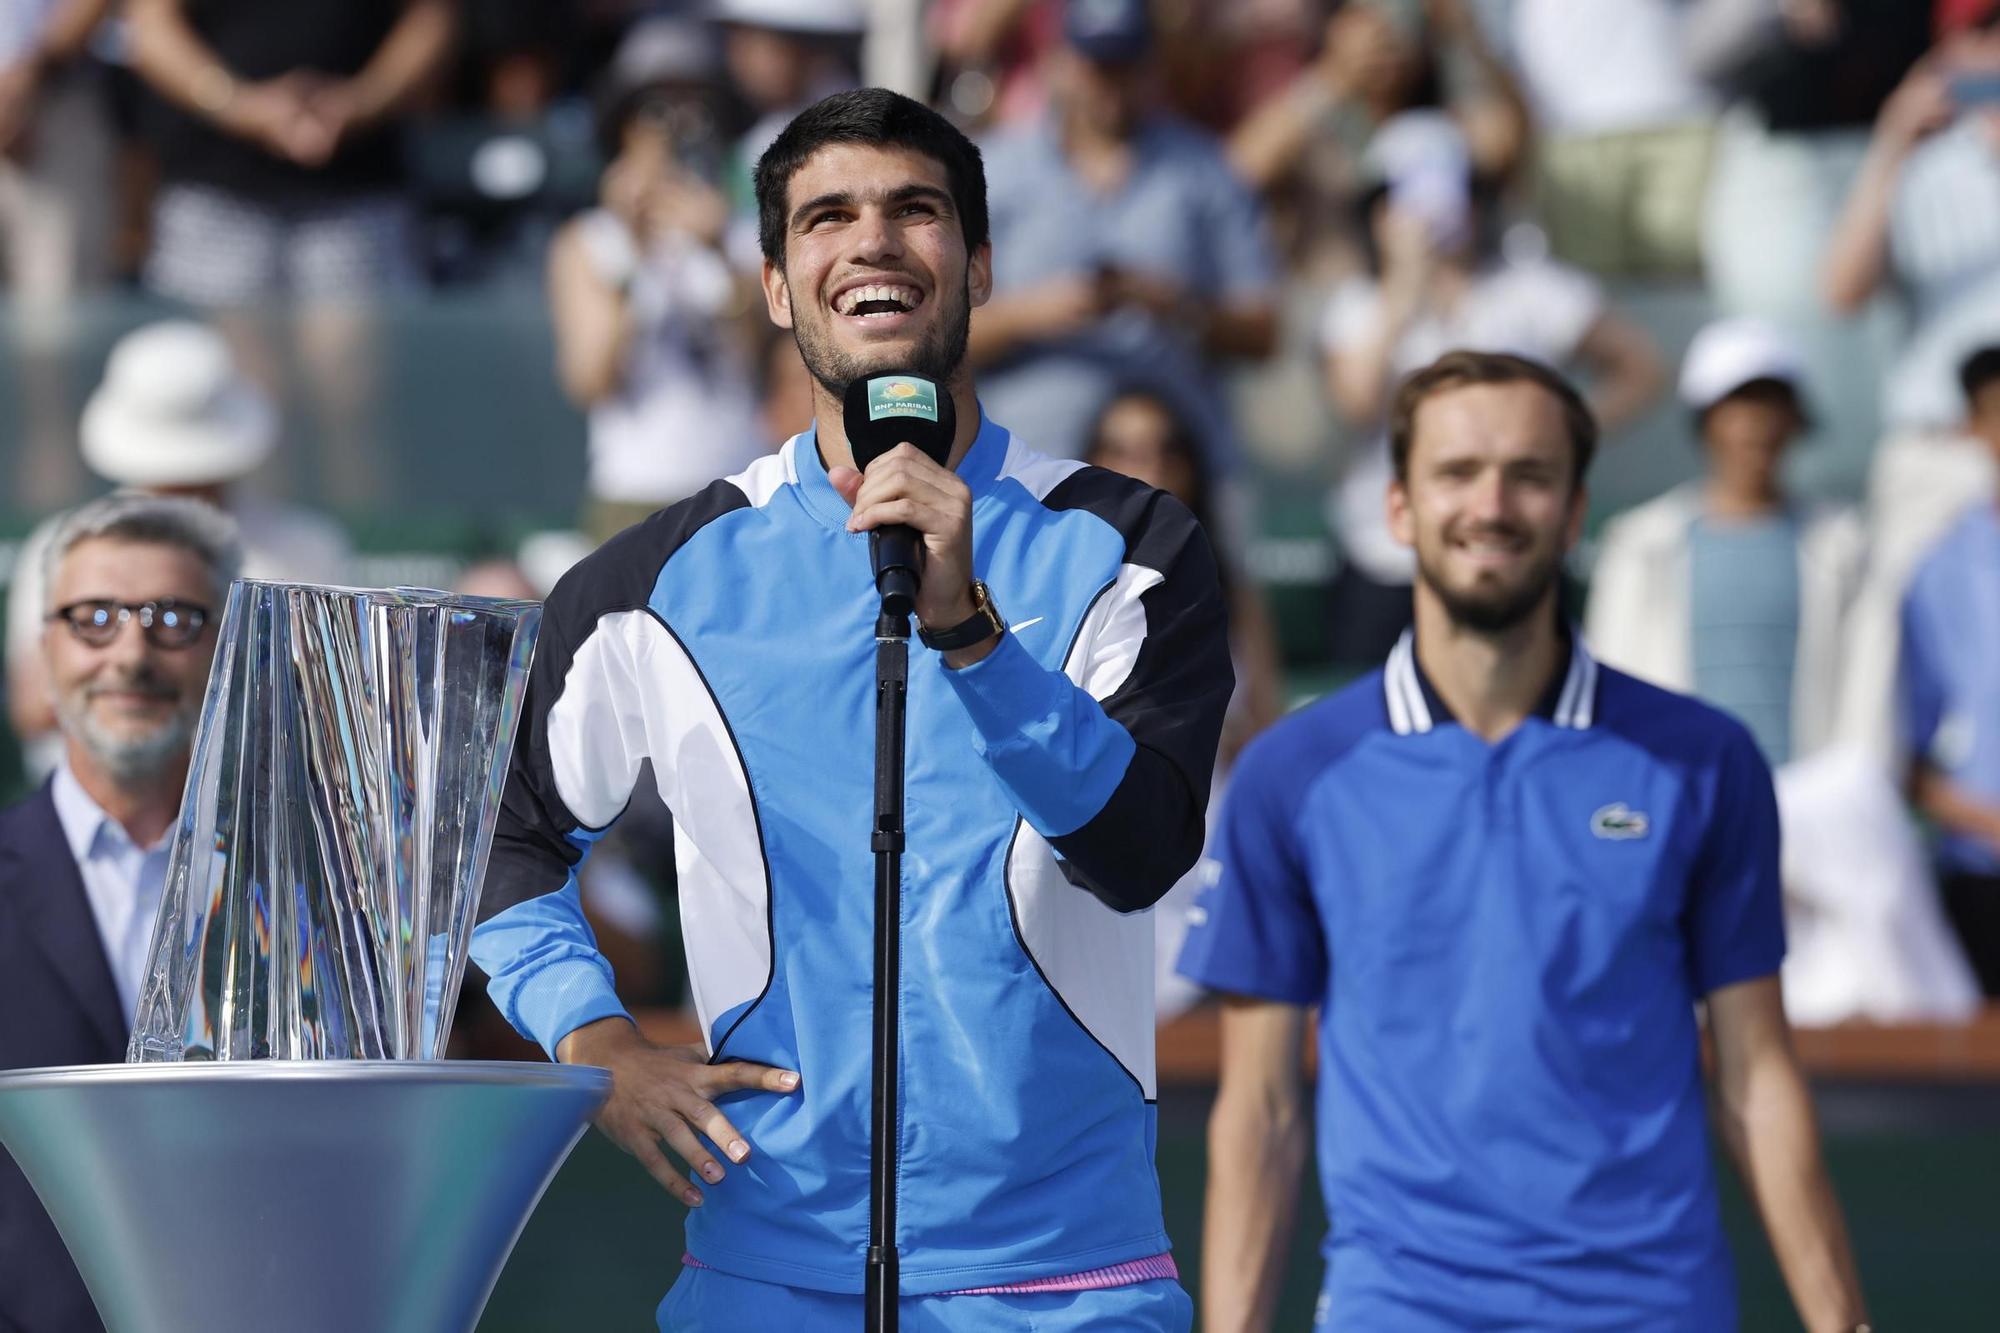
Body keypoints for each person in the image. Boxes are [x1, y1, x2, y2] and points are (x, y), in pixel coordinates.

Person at [469, 87, 1230, 1330]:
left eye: (913, 210)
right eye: (826, 217)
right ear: (774, 286)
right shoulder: (651, 580)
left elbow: (1139, 850)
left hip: (1060, 1287)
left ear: (976, 266)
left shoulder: (1127, 542)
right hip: (765, 1279)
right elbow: (495, 834)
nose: (870, 241)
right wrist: (593, 1043)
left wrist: (972, 637)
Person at [1179, 351, 1868, 1331]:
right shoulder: (1292, 774)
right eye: (1456, 473)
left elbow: (1757, 1078)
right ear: (1397, 510)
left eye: (1528, 474)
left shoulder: (1703, 761)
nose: (1490, 504)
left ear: (1576, 509)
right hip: (1397, 1307)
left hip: (1652, 1307)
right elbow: (1260, 1114)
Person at [1589, 317, 1978, 1023]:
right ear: (1707, 422)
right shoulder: (1641, 546)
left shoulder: (1845, 545)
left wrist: (1802, 826)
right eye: (1738, 407)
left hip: (1823, 854)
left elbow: (1870, 721)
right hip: (1686, 842)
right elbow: (1616, 709)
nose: (1755, 428)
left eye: (1771, 406)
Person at [0, 492, 240, 1333]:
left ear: (227, 648)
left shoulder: (314, 898)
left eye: (173, 619)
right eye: (93, 617)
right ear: (43, 651)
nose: (131, 653)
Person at [1320, 110, 1662, 665]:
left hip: (1515, 547)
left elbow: (1641, 368)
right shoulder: (1356, 307)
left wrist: (1558, 443)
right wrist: (1404, 293)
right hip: (1385, 556)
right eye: (1403, 197)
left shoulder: (1533, 290)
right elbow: (1355, 403)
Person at [6, 320, 354, 777]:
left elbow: (340, 708)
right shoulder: (61, 545)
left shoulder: (308, 546)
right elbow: (33, 708)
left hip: (265, 801)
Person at [970, 0, 1280, 482]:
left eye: (1126, 66)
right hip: (1028, 464)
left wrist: (1174, 304)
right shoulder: (992, 172)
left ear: (1152, 68)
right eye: (1096, 65)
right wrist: (1032, 312)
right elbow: (937, 337)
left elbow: (1263, 331)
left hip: (1171, 471)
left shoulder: (1205, 171)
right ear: (1057, 64)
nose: (1110, 85)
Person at [1081, 388, 1282, 1019]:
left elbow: (1262, 734)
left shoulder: (1232, 593)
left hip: (1203, 819)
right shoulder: (1055, 587)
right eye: (1124, 450)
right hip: (1090, 820)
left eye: (1167, 451)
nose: (1150, 468)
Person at [547, 17, 766, 543]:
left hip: (735, 488)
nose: (679, 126)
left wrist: (716, 248)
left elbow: (760, 357)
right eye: (657, 109)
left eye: (698, 106)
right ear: (624, 123)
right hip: (632, 497)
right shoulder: (590, 240)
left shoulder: (741, 232)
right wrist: (634, 248)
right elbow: (590, 379)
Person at [1900, 344, 2000, 997]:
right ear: (1973, 425)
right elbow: (1910, 756)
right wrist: (1987, 822)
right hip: (1983, 877)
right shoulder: (1941, 570)